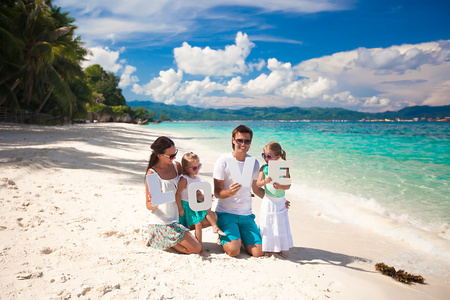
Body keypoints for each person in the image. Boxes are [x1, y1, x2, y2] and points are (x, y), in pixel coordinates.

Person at [213, 125, 265, 257]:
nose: (243, 144)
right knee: (233, 251)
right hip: (226, 213)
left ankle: (240, 235)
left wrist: (277, 200)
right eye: (239, 140)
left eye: (247, 141)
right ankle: (235, 237)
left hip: (246, 215)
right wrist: (229, 193)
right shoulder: (222, 161)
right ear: (233, 140)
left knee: (258, 253)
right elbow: (218, 192)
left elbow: (256, 189)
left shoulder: (253, 162)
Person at [145, 136, 202, 254]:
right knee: (196, 248)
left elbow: (187, 184)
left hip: (179, 217)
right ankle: (159, 239)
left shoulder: (176, 166)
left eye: (175, 153)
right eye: (171, 156)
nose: (175, 157)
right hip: (164, 222)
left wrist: (199, 195)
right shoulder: (153, 174)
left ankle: (165, 238)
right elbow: (149, 205)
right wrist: (159, 199)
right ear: (159, 155)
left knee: (209, 218)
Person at [176, 152, 225, 253]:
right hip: (186, 207)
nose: (197, 169)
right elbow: (178, 194)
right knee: (197, 224)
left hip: (194, 205)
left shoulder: (197, 179)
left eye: (199, 166)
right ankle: (200, 248)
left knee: (207, 208)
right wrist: (180, 208)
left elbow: (197, 193)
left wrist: (203, 198)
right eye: (194, 168)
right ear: (186, 168)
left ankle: (214, 228)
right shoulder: (184, 179)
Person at [256, 142, 293, 258]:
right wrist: (265, 182)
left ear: (277, 157)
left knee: (279, 224)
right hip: (268, 200)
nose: (266, 159)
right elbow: (257, 184)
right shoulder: (264, 168)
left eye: (269, 156)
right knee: (268, 223)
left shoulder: (284, 168)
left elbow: (288, 185)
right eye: (264, 156)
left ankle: (279, 248)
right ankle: (269, 248)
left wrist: (280, 186)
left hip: (280, 201)